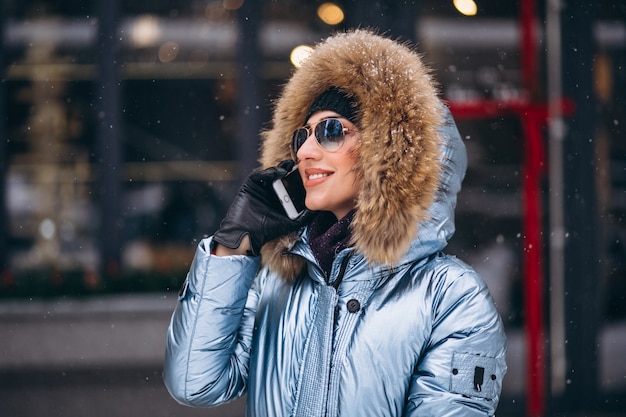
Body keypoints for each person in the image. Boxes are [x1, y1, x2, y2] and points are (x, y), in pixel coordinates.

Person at [163, 29, 507, 416]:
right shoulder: (278, 284)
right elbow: (194, 383)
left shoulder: (450, 296)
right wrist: (232, 245)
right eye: (301, 136)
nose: (306, 152)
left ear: (388, 149)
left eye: (330, 131)